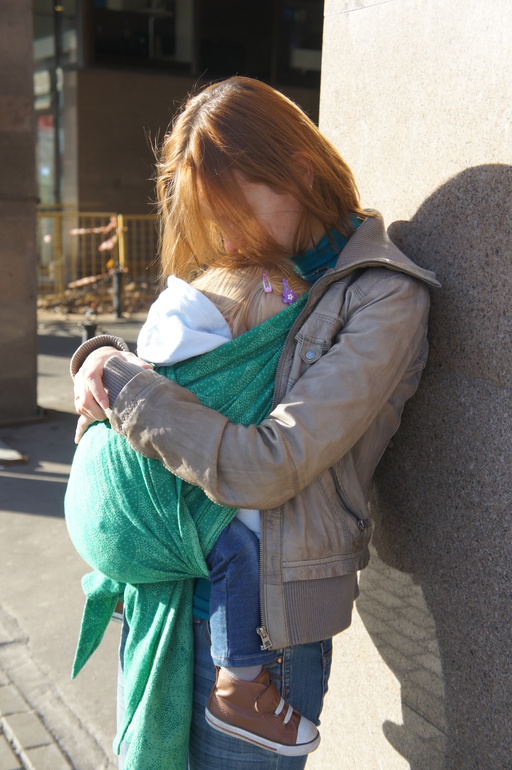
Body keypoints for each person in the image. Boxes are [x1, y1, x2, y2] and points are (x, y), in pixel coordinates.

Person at [72, 75, 440, 770]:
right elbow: (178, 369)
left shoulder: (384, 296)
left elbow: (268, 465)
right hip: (167, 589)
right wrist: (102, 359)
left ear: (300, 171)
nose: (228, 235)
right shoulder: (251, 263)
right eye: (215, 218)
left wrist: (125, 389)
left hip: (264, 634)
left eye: (238, 209)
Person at [66, 262, 317, 766]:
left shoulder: (166, 334)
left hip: (104, 512)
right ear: (240, 332)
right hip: (140, 508)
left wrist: (100, 351)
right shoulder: (220, 362)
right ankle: (240, 685)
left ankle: (122, 582)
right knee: (238, 555)